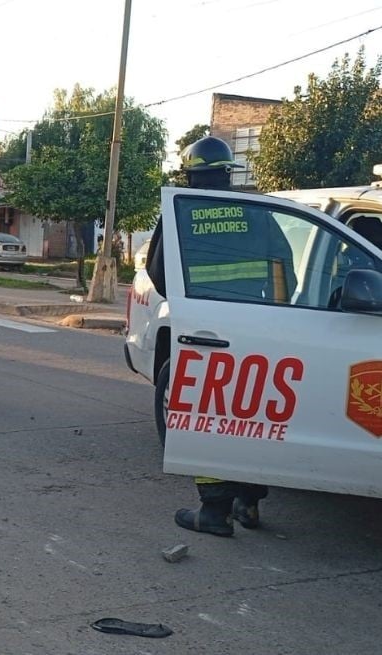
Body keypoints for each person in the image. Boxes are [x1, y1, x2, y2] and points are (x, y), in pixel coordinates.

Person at [146, 136, 278, 537]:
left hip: (205, 328)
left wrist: (187, 305)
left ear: (190, 173)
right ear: (227, 171)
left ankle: (214, 513)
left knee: (207, 417)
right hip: (257, 324)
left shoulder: (181, 212)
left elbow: (157, 270)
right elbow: (282, 263)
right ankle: (249, 502)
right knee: (251, 414)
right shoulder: (255, 210)